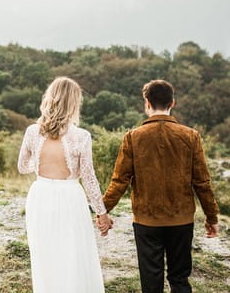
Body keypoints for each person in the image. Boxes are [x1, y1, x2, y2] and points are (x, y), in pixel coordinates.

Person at [102, 79, 219, 293]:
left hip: (146, 221)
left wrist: (103, 210)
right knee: (179, 279)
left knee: (151, 281)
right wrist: (212, 218)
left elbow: (120, 180)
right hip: (182, 220)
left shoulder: (133, 137)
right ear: (172, 103)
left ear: (146, 103)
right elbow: (202, 182)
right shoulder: (191, 136)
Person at [18, 76, 111, 293]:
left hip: (40, 195)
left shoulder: (32, 132)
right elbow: (88, 178)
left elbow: (22, 167)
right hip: (70, 197)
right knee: (73, 253)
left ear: (49, 99)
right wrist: (102, 212)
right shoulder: (82, 137)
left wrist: (41, 164)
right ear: (73, 104)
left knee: (45, 254)